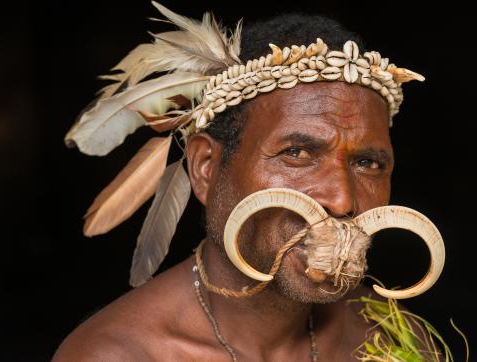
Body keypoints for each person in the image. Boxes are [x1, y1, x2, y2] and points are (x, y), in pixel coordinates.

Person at [53, 3, 443, 361]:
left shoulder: (394, 339)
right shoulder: (118, 355)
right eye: (297, 153)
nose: (342, 200)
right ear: (206, 167)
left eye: (367, 163)